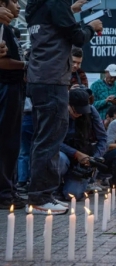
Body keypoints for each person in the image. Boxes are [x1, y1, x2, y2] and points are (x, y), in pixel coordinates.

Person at [25, 0, 103, 214]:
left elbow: (52, 25)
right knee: (50, 138)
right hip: (52, 78)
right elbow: (77, 36)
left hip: (39, 77)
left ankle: (38, 194)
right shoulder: (56, 1)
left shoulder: (36, 5)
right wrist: (92, 26)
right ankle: (41, 197)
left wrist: (71, 11)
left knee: (42, 137)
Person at [58, 89, 107, 202]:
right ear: (68, 104)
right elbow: (54, 142)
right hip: (64, 154)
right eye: (76, 110)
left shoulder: (91, 111)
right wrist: (75, 153)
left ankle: (73, 185)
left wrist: (94, 158)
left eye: (82, 111)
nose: (79, 114)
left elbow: (103, 139)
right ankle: (54, 188)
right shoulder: (59, 111)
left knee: (72, 195)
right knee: (59, 159)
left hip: (83, 160)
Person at [0, 0, 26, 209]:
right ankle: (4, 193)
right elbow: (2, 62)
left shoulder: (9, 29)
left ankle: (10, 189)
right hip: (6, 88)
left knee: (12, 144)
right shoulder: (1, 26)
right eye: (14, 1)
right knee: (6, 142)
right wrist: (27, 65)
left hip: (15, 88)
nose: (18, 6)